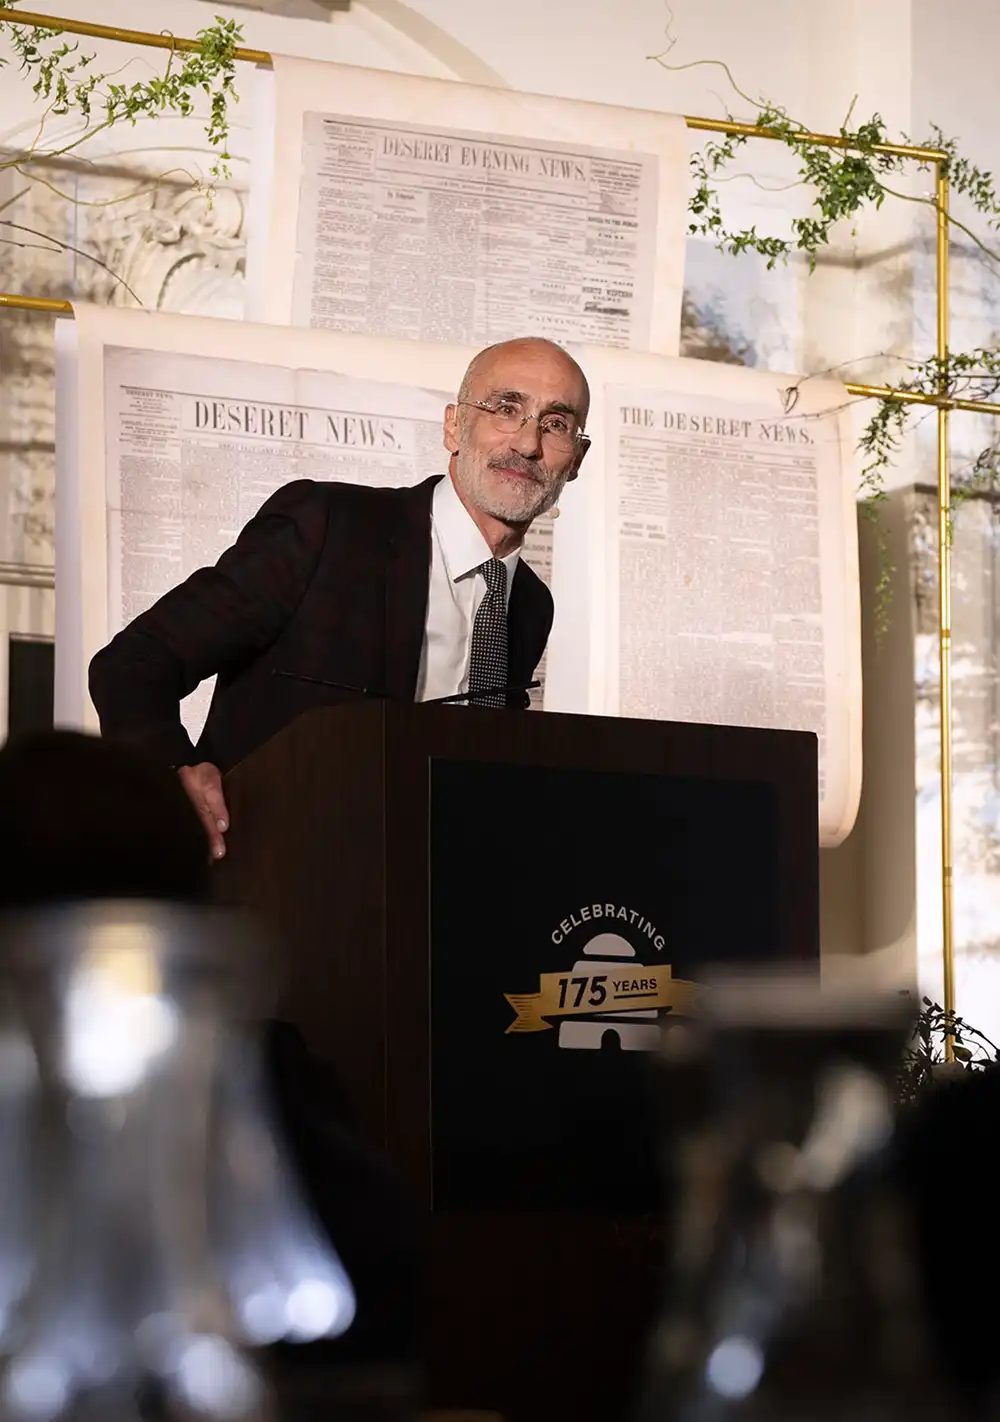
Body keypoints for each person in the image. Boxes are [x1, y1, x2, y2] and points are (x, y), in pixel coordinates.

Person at [89, 337, 591, 860]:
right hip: (269, 889)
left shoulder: (531, 605)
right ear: (453, 427)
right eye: (506, 409)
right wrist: (171, 777)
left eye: (556, 423)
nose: (528, 443)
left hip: (421, 905)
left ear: (575, 458)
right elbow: (134, 663)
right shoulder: (325, 526)